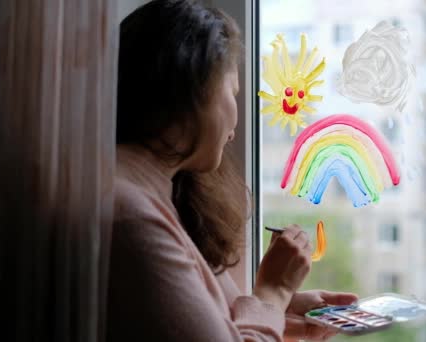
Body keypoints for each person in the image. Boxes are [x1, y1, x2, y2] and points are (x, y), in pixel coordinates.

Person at [107, 1, 358, 340]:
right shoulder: (132, 216)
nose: (236, 124)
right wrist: (274, 290)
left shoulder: (149, 192)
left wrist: (280, 315)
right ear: (196, 91)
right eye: (233, 92)